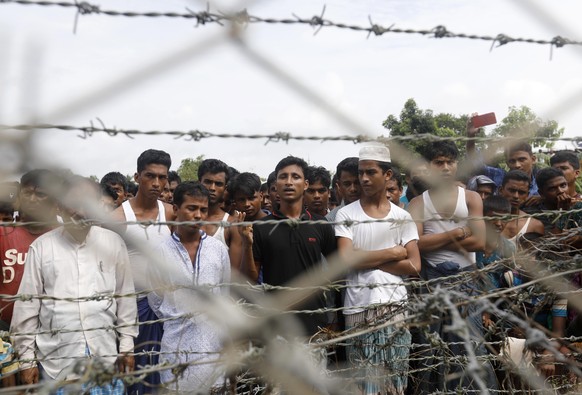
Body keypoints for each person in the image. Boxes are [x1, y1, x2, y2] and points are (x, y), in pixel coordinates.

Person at [11, 176, 137, 392]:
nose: (80, 211)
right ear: (59, 206)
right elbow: (27, 308)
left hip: (104, 357)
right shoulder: (41, 248)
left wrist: (126, 347)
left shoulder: (113, 244)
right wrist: (27, 360)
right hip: (58, 364)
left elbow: (125, 299)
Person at [408, 141, 497, 393]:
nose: (446, 167)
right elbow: (416, 245)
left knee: (469, 344)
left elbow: (479, 241)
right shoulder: (417, 203)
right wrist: (459, 231)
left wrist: (435, 239)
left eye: (450, 162)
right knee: (432, 347)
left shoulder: (470, 197)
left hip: (465, 280)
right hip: (432, 281)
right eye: (438, 163)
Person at [335, 144, 420, 395]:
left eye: (370, 172)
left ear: (387, 175)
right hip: (358, 308)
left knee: (394, 384)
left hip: (393, 307)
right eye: (361, 172)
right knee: (363, 385)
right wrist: (393, 253)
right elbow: (345, 260)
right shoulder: (346, 214)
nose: (363, 178)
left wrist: (365, 257)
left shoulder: (401, 217)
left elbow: (415, 265)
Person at [241, 156, 337, 337]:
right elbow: (252, 278)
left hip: (314, 322)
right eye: (283, 177)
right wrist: (247, 245)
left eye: (295, 177)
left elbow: (336, 266)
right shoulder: (262, 227)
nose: (289, 182)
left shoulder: (319, 224)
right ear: (275, 185)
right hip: (276, 324)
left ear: (306, 184)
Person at [148, 182, 230, 392]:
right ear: (176, 209)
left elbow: (223, 292)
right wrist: (178, 314)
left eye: (203, 209)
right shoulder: (160, 252)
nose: (197, 215)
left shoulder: (218, 249)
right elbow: (156, 300)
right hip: (175, 345)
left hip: (212, 344)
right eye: (191, 208)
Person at [111, 149, 174, 394]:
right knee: (132, 377)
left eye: (162, 177)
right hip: (130, 309)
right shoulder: (118, 218)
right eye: (150, 176)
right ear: (137, 177)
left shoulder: (169, 213)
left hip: (164, 310)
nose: (157, 183)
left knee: (161, 376)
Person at [0, 170, 59, 329]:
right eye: (27, 193)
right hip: (5, 329)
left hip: (52, 328)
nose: (32, 200)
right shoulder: (3, 234)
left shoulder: (63, 236)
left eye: (40, 194)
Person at [466, 123, 539, 198]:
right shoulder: (499, 176)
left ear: (533, 159)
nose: (517, 165)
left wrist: (542, 199)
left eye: (522, 160)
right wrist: (471, 136)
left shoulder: (541, 183)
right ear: (507, 163)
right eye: (512, 161)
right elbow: (475, 161)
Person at [197, 159, 243, 271]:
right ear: (199, 182)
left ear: (225, 188)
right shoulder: (182, 219)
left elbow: (233, 272)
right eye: (208, 182)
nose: (212, 188)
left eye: (218, 184)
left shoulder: (232, 225)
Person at [498, 170, 544, 247]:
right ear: (501, 190)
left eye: (521, 192)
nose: (516, 196)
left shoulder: (535, 225)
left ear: (527, 195)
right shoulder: (486, 220)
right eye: (512, 190)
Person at [326, 157, 361, 222]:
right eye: (347, 184)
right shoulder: (330, 220)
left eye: (357, 183)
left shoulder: (379, 213)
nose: (353, 189)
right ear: (339, 186)